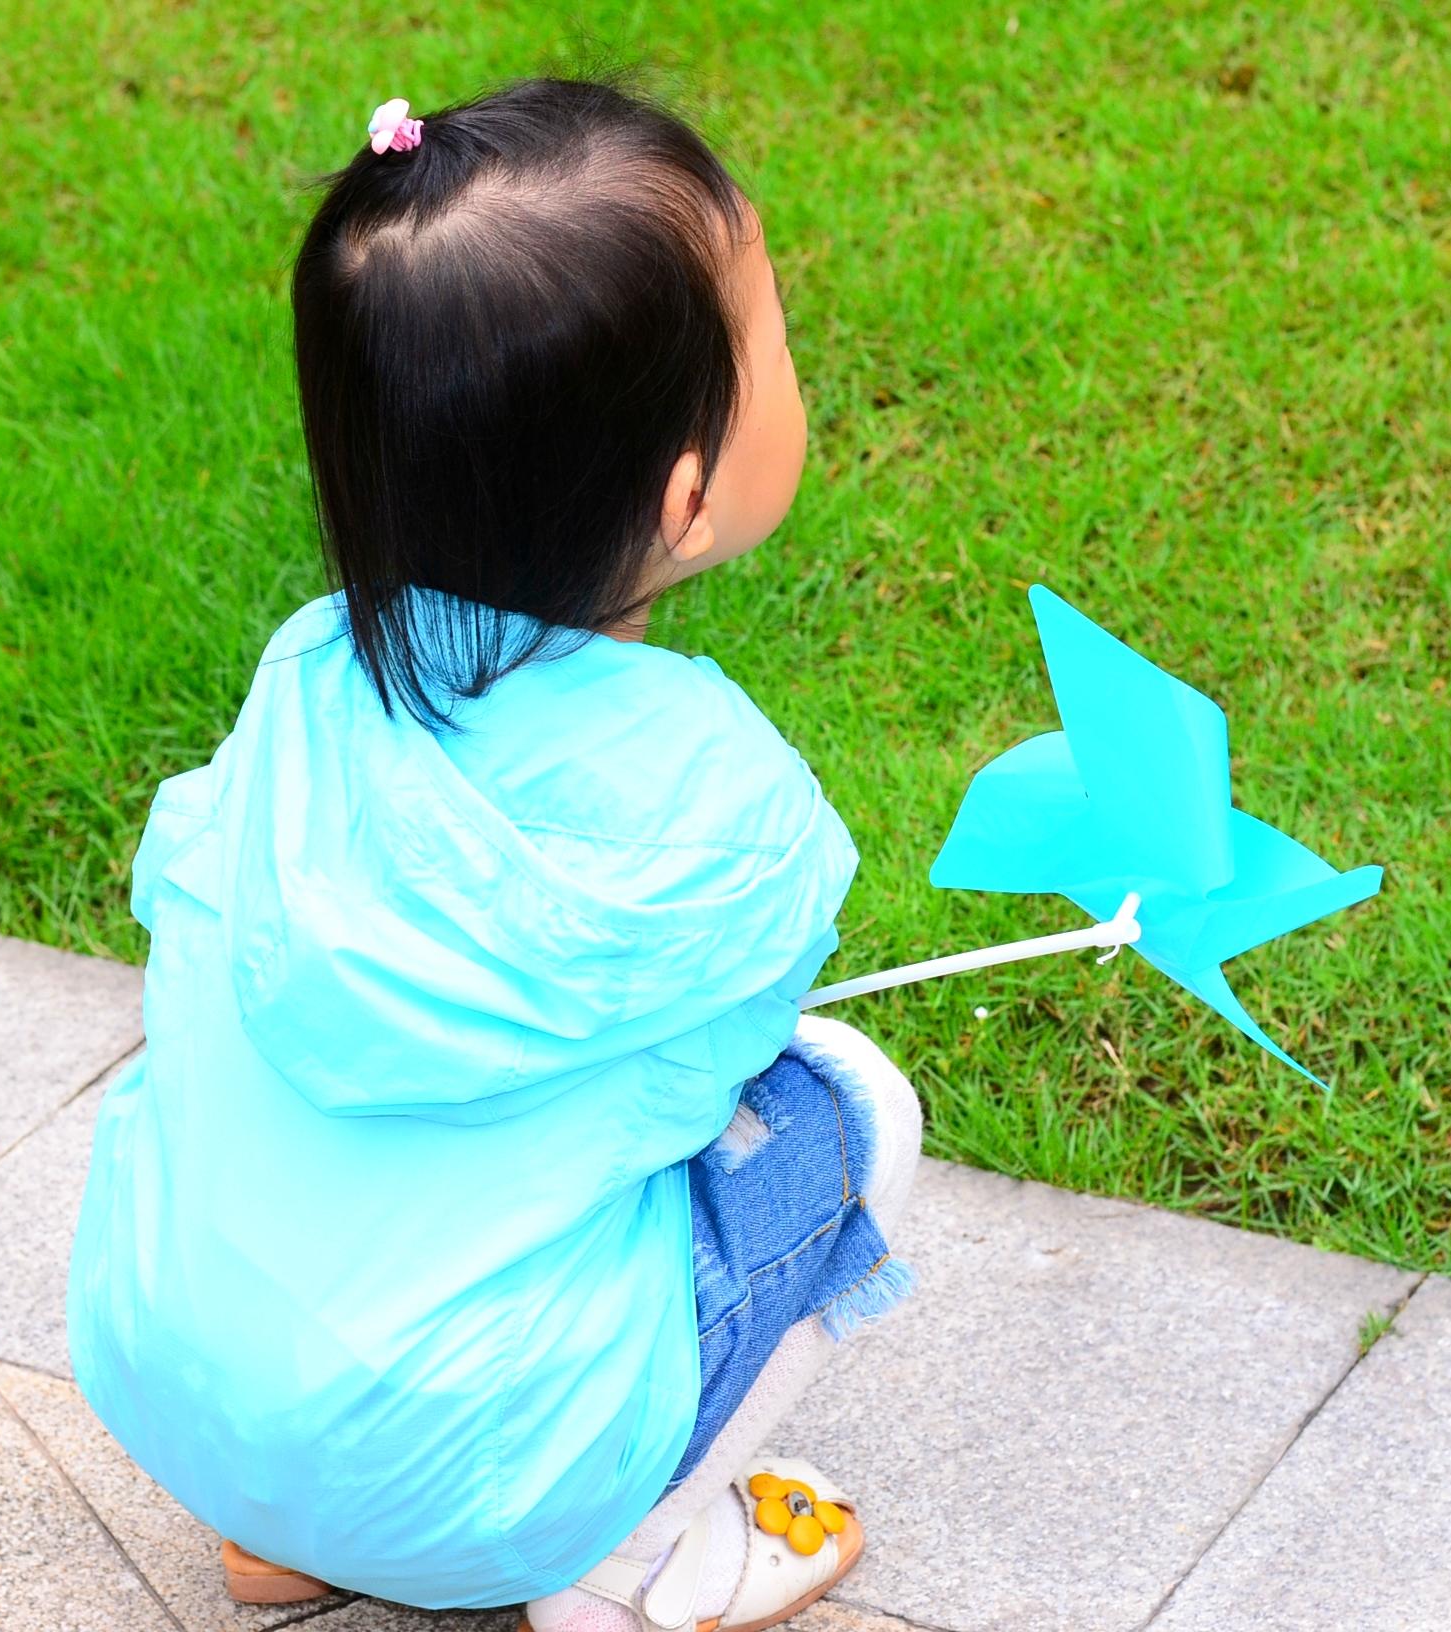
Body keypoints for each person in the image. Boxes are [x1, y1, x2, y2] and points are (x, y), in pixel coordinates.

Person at [68, 76, 923, 1632]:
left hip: (177, 1388)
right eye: (776, 342)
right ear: (688, 495)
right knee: (846, 1106)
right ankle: (628, 1563)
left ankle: (284, 1538)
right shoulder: (728, 802)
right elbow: (704, 1086)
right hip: (486, 1481)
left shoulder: (303, 676)